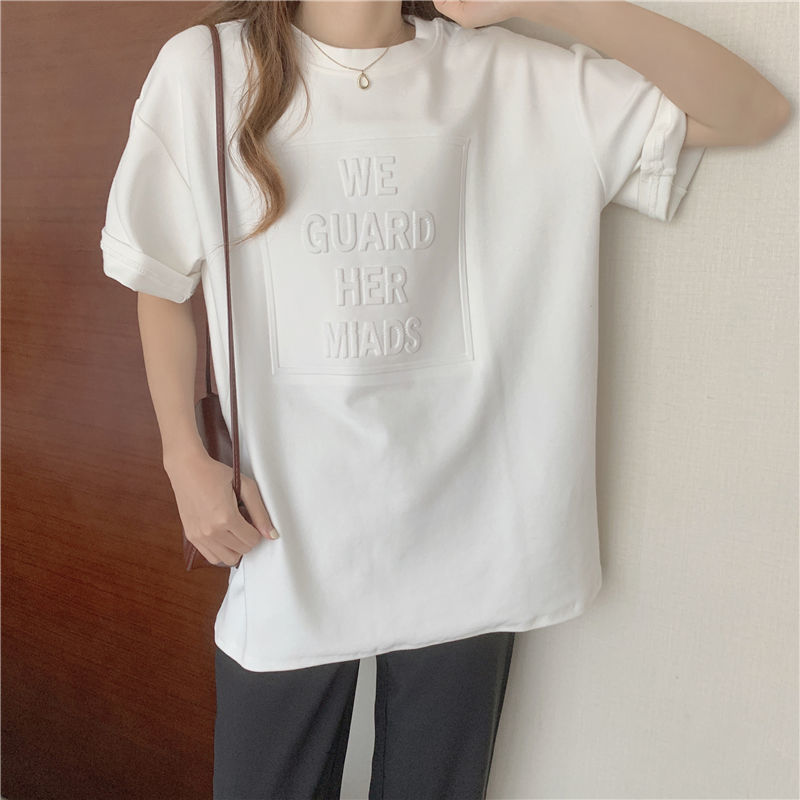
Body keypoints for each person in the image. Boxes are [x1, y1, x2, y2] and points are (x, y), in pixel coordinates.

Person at [99, 1, 790, 797]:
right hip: (285, 538)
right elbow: (157, 274)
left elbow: (753, 111)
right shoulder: (209, 70)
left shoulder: (509, 76)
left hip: (472, 542)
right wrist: (184, 458)